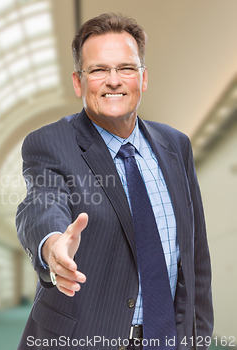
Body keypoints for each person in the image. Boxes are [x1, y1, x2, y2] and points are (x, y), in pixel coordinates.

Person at [16, 13, 213, 350]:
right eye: (98, 70)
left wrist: (198, 336)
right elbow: (41, 203)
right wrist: (52, 247)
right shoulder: (50, 143)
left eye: (125, 68)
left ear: (143, 77)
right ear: (79, 82)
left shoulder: (176, 145)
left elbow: (194, 253)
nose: (114, 81)